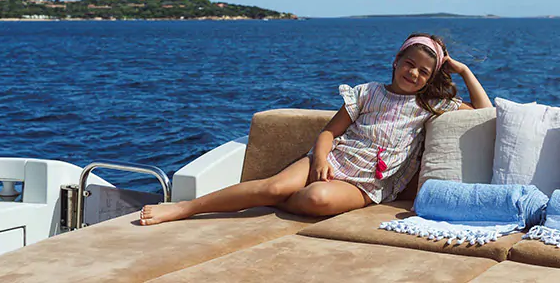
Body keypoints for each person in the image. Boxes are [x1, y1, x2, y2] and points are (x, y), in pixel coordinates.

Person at [140, 32, 492, 225]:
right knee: (274, 184)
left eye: (423, 71)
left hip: (368, 183)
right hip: (332, 159)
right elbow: (328, 132)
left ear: (432, 78)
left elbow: (484, 109)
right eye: (408, 64)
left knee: (315, 198)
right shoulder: (368, 92)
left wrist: (462, 71)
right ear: (396, 61)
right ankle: (184, 209)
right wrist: (321, 159)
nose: (413, 73)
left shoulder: (429, 106)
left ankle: (273, 200)